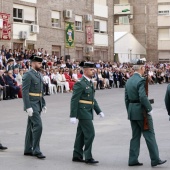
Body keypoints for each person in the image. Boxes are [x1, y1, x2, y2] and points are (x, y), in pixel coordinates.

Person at [125, 59, 167, 167]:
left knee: (135, 136)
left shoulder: (128, 81)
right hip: (142, 112)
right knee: (149, 135)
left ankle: (132, 159)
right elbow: (142, 96)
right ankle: (155, 159)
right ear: (141, 68)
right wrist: (149, 109)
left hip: (132, 111)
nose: (144, 70)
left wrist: (130, 111)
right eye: (144, 68)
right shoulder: (141, 81)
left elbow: (126, 99)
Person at [70, 61, 104, 164]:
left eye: (93, 69)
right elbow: (74, 100)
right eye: (91, 69)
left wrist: (98, 111)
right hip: (83, 111)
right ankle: (88, 156)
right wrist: (73, 115)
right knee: (90, 133)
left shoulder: (89, 82)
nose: (93, 71)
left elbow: (92, 99)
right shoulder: (80, 83)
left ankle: (77, 155)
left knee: (81, 134)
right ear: (85, 70)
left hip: (88, 111)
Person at [22, 55, 47, 159]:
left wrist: (44, 104)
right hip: (32, 103)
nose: (40, 65)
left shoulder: (39, 74)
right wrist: (28, 106)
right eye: (38, 63)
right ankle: (36, 150)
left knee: (30, 126)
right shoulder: (28, 74)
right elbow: (24, 91)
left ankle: (28, 149)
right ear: (32, 63)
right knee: (38, 125)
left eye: (41, 63)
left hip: (38, 102)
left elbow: (41, 92)